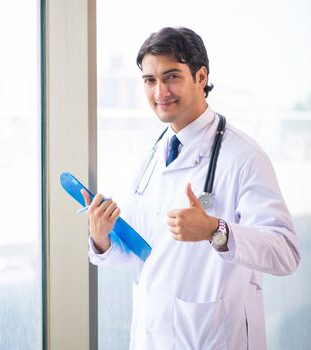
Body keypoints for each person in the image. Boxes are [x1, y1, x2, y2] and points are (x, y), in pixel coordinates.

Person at [82, 27, 300, 350]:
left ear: (201, 77)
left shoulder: (244, 157)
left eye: (171, 77)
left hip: (213, 338)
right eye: (149, 80)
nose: (160, 92)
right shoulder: (153, 153)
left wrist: (216, 230)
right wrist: (102, 238)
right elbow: (146, 253)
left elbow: (286, 253)